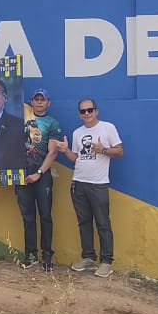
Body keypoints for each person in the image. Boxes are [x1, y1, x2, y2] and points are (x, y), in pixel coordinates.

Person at [58, 98, 123, 278]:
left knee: (103, 223)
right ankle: (88, 257)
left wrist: (102, 150)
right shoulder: (77, 133)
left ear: (96, 111)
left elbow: (119, 151)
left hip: (98, 184)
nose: (86, 114)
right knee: (84, 222)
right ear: (79, 114)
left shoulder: (107, 128)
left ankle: (106, 262)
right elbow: (76, 159)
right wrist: (65, 151)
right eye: (83, 111)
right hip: (78, 182)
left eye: (90, 110)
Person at [16, 88, 62, 271]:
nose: (40, 102)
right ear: (32, 102)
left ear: (48, 103)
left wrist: (39, 173)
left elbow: (52, 152)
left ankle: (47, 255)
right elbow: (9, 98)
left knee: (45, 216)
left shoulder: (52, 123)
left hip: (41, 174)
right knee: (27, 217)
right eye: (37, 99)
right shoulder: (23, 116)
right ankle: (30, 254)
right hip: (21, 173)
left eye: (43, 99)